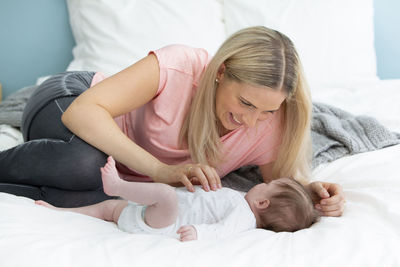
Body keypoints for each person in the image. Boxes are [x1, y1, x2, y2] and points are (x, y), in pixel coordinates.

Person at [0, 26, 345, 216]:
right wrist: (159, 171)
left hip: (112, 169)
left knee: (113, 202)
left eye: (268, 111)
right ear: (221, 72)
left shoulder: (272, 124)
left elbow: (280, 185)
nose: (252, 121)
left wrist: (308, 190)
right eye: (245, 103)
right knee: (85, 166)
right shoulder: (180, 66)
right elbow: (83, 113)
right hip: (72, 101)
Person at [36, 156, 320, 241]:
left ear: (262, 203)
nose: (260, 183)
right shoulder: (241, 202)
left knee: (164, 194)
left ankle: (117, 185)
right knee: (108, 211)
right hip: (147, 217)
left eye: (266, 186)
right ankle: (58, 211)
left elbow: (223, 231)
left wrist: (198, 232)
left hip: (164, 222)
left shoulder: (243, 217)